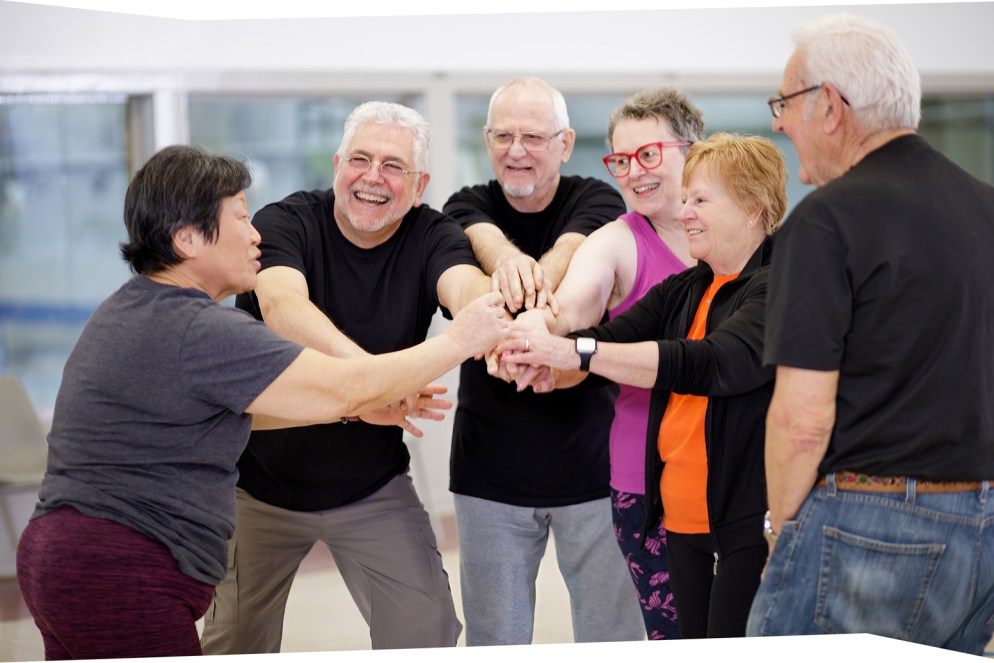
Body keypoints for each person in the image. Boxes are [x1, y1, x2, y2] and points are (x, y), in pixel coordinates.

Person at [14, 145, 508, 660]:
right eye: (242, 220)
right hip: (118, 566)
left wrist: (353, 408)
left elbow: (228, 412)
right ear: (187, 239)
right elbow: (341, 383)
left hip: (62, 555)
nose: (256, 236)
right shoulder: (200, 329)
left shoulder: (130, 307)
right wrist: (457, 342)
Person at [746, 13, 994, 655]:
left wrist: (780, 538)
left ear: (832, 107)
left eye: (785, 104)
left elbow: (802, 420)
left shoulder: (827, 220)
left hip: (872, 533)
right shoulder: (987, 203)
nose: (778, 123)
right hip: (991, 533)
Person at [200, 102, 496, 653]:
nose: (372, 177)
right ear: (338, 164)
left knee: (428, 630)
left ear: (420, 182)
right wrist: (368, 383)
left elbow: (465, 287)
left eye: (392, 166)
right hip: (259, 486)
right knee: (232, 643)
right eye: (360, 159)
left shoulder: (433, 234)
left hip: (371, 485)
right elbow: (284, 308)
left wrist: (488, 311)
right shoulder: (286, 222)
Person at [504, 132, 787, 638]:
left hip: (742, 524)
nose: (686, 214)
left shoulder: (778, 284)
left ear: (752, 210)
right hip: (678, 518)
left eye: (701, 200)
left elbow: (709, 363)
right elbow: (607, 339)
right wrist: (540, 348)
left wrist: (574, 353)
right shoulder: (689, 285)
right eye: (686, 201)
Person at [443, 76, 643, 645]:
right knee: (495, 640)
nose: (516, 150)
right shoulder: (463, 205)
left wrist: (531, 282)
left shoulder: (599, 200)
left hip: (594, 465)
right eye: (503, 135)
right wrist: (507, 261)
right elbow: (486, 244)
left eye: (533, 136)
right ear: (486, 139)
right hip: (490, 473)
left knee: (613, 638)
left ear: (564, 141)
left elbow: (571, 253)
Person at [513, 87, 703, 639]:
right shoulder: (616, 241)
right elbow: (570, 307)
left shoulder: (736, 237)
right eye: (620, 159)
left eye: (648, 154)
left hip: (732, 470)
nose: (633, 172)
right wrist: (536, 329)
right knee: (672, 636)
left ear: (690, 151)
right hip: (648, 480)